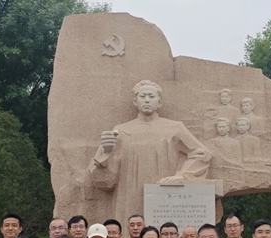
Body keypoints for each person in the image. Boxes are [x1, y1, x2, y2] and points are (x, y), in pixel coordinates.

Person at [89, 80, 212, 223]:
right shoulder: (121, 131)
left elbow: (202, 153)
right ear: (135, 101)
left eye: (151, 96)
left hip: (163, 194)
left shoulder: (174, 128)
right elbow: (105, 181)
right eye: (142, 96)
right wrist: (106, 151)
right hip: (128, 197)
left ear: (159, 102)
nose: (147, 100)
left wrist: (182, 176)